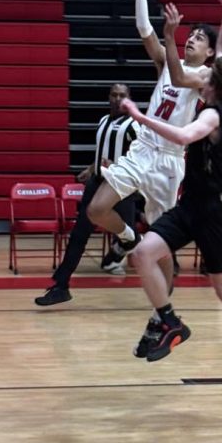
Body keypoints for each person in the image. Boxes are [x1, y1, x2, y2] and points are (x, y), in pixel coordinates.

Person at [86, 0, 222, 351]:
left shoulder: (202, 76)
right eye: (189, 36)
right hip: (143, 149)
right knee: (96, 209)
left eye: (199, 38)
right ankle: (126, 237)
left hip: (170, 163)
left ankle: (163, 314)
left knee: (163, 245)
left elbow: (198, 63)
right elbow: (143, 28)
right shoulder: (166, 62)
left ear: (207, 55)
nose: (191, 39)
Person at [119, 50, 222, 402]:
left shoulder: (212, 114)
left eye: (206, 75)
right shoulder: (217, 101)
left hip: (211, 213)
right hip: (189, 204)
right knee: (143, 254)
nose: (200, 76)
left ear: (212, 84)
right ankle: (169, 322)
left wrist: (138, 116)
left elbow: (182, 137)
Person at [34, 83, 141, 306]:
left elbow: (143, 158)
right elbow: (101, 153)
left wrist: (118, 165)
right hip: (98, 183)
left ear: (129, 99)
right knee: (79, 235)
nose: (117, 98)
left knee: (129, 237)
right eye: (114, 94)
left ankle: (116, 257)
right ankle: (61, 286)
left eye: (122, 95)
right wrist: (91, 168)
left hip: (121, 186)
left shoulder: (133, 126)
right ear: (109, 96)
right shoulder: (103, 121)